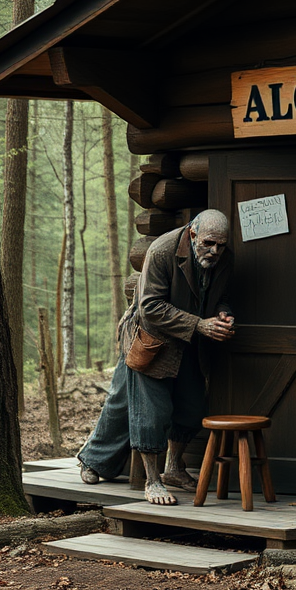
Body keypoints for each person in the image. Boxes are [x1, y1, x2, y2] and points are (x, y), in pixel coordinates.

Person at [77, 209, 235, 505]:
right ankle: (150, 480)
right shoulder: (162, 250)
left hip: (190, 341)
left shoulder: (224, 257)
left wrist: (223, 313)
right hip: (152, 339)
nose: (215, 251)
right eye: (209, 244)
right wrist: (198, 324)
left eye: (221, 245)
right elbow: (150, 307)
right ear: (192, 234)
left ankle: (172, 468)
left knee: (189, 404)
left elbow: (222, 295)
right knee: (149, 410)